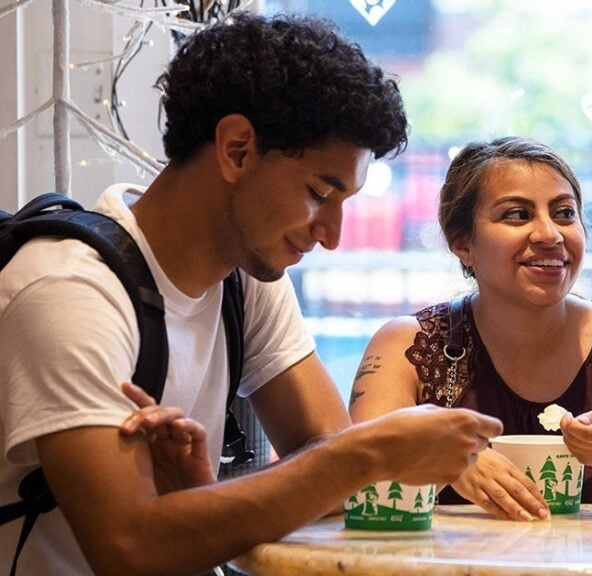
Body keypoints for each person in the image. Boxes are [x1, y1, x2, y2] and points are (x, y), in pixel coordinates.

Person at [0, 14, 501, 575]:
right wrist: (373, 451)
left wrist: (204, 497)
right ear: (237, 150)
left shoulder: (245, 278)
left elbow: (328, 465)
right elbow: (128, 547)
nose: (332, 236)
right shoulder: (70, 289)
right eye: (318, 194)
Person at [348, 136, 592, 521]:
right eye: (517, 215)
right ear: (462, 243)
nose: (550, 234)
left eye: (564, 213)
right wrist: (442, 458)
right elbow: (356, 470)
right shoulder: (410, 345)